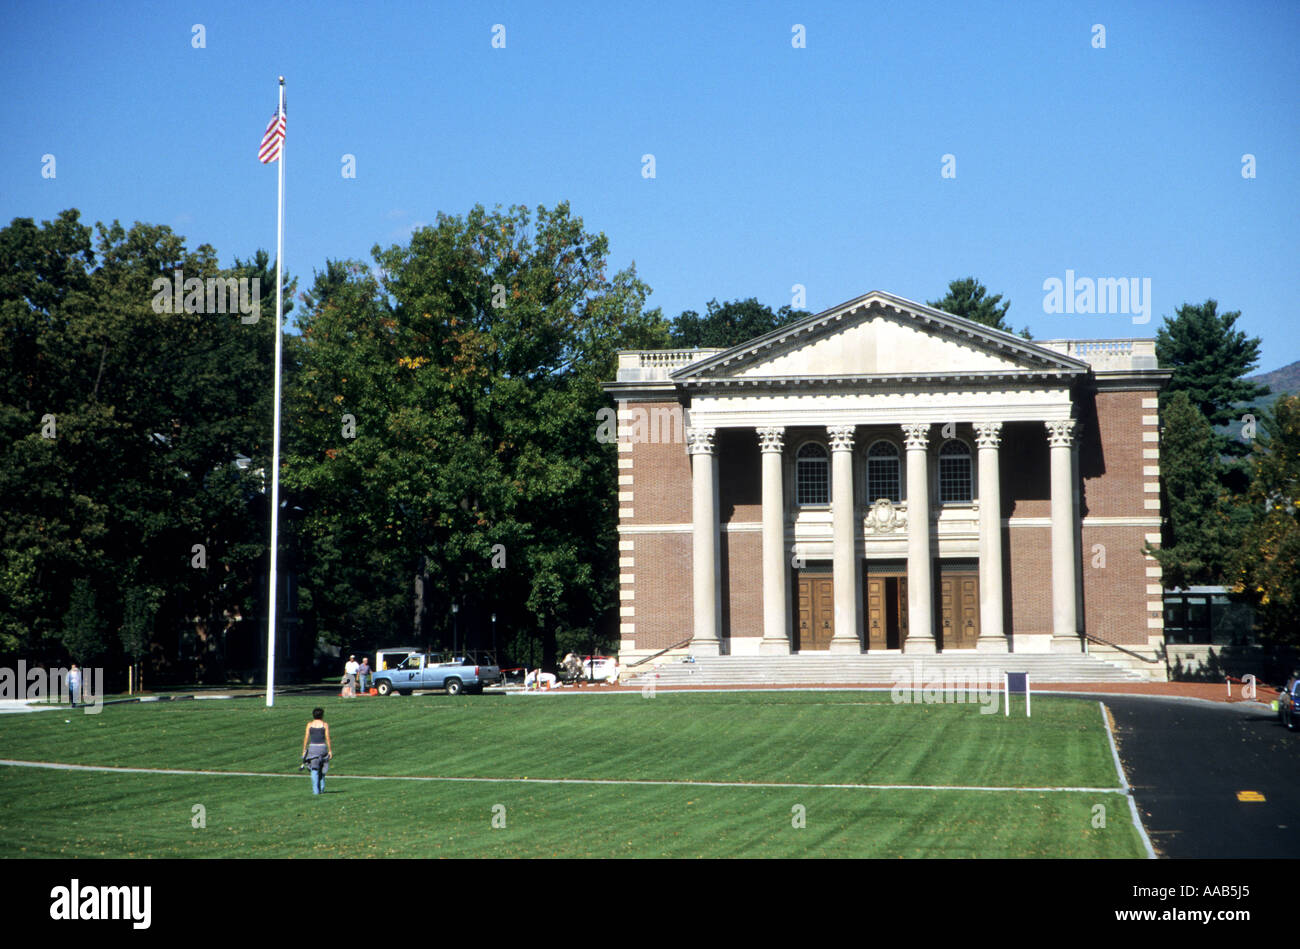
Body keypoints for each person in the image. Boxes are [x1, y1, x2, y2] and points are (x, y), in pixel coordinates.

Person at [301, 707, 333, 794]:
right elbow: (327, 738)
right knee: (322, 769)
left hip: (312, 748)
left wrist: (304, 749)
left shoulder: (309, 724)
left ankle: (316, 790)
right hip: (322, 747)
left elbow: (306, 737)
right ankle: (322, 789)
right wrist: (330, 750)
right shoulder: (324, 724)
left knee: (314, 769)